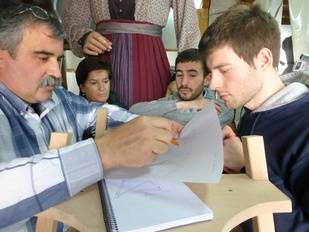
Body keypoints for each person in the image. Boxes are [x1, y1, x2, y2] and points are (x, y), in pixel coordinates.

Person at [0, 4, 182, 231]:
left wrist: (158, 130)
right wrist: (101, 153)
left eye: (57, 59)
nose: (56, 73)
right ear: (2, 58)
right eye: (42, 57)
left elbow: (99, 113)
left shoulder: (59, 100)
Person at [198, 4, 309, 231]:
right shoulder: (252, 116)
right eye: (211, 73)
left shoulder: (304, 126)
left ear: (264, 60)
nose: (213, 84)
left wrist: (247, 167)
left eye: (225, 70)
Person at [63, 0, 200, 109]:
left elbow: (188, 26)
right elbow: (73, 20)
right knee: (103, 129)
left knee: (150, 126)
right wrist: (83, 37)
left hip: (149, 64)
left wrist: (184, 77)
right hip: (103, 65)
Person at [129, 48, 234, 127]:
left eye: (192, 75)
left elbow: (196, 124)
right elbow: (134, 110)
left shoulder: (219, 105)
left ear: (207, 79)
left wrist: (162, 114)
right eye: (179, 75)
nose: (183, 82)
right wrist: (187, 105)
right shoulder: (173, 100)